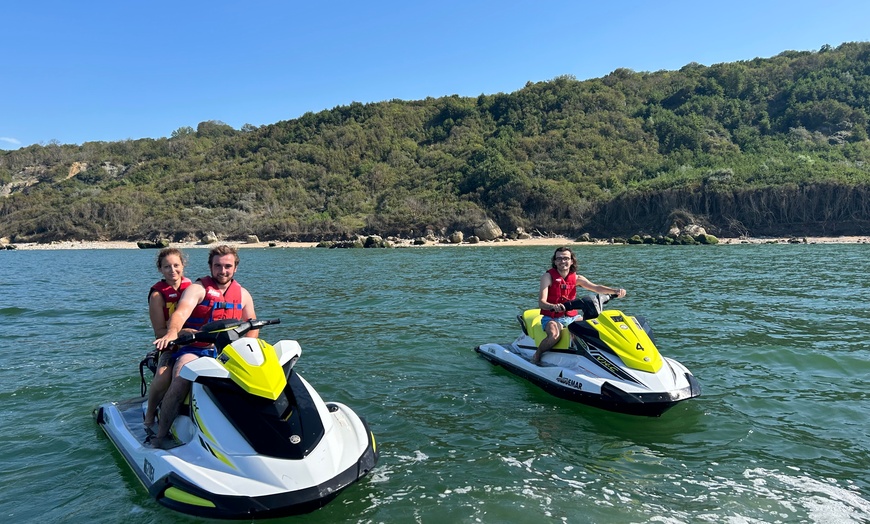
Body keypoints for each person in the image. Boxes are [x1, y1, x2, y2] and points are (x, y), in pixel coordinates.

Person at [148, 245, 258, 448]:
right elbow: (180, 313)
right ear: (210, 266)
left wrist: (249, 347)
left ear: (235, 268)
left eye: (227, 266)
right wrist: (173, 332)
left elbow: (252, 325)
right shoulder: (197, 289)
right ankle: (160, 434)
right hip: (195, 349)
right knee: (183, 376)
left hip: (227, 352)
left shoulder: (243, 295)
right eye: (218, 266)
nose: (222, 271)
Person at [531, 246, 626, 365]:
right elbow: (541, 302)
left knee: (594, 327)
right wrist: (552, 306)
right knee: (554, 335)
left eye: (566, 258)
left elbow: (596, 287)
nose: (562, 261)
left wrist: (615, 291)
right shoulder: (548, 277)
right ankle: (537, 354)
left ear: (572, 261)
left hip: (572, 317)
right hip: (552, 317)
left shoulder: (577, 278)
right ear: (555, 261)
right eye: (559, 259)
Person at [143, 248, 192, 432]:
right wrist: (183, 332)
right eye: (167, 267)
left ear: (183, 265)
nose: (172, 270)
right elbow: (159, 332)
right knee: (164, 376)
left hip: (197, 341)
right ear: (160, 270)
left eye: (176, 265)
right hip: (170, 344)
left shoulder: (193, 288)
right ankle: (149, 413)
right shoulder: (157, 295)